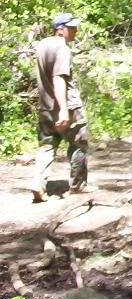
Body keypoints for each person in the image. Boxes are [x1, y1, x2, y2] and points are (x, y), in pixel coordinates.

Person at [32, 12, 90, 202]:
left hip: (45, 108)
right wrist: (64, 109)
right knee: (79, 144)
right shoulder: (62, 48)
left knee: (47, 146)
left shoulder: (42, 45)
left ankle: (38, 182)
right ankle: (77, 186)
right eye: (72, 27)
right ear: (61, 29)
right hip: (68, 107)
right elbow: (59, 78)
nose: (75, 31)